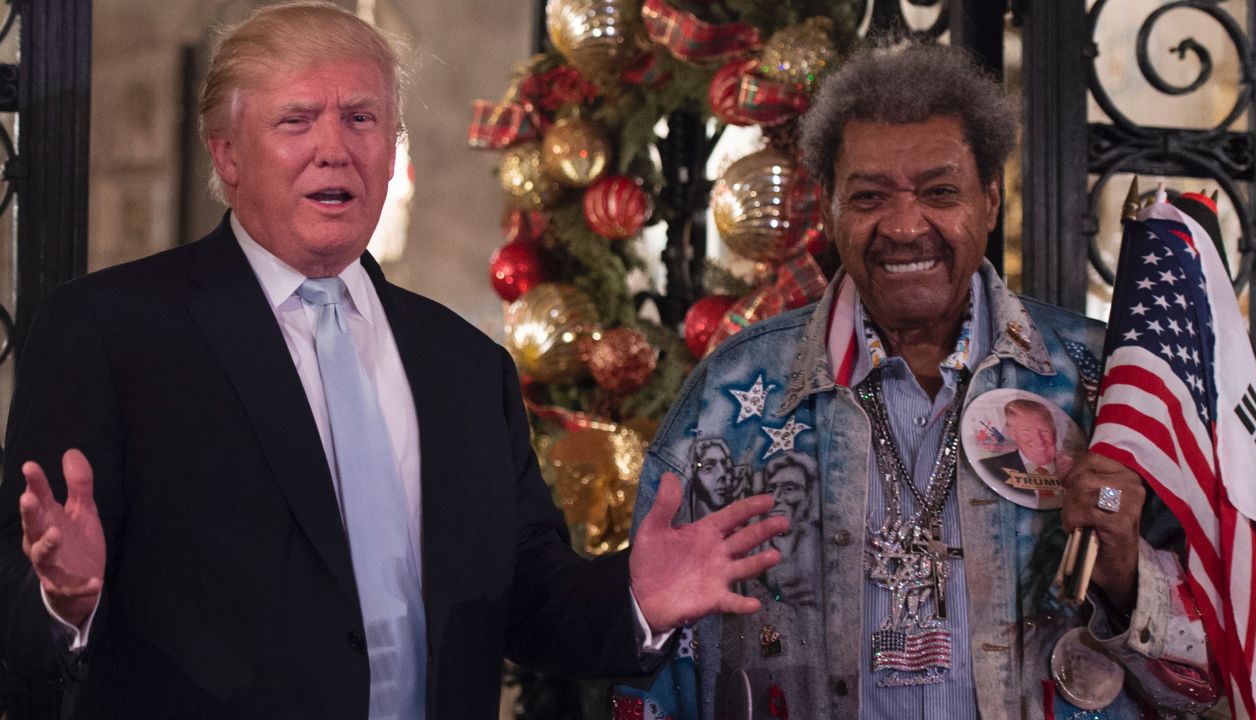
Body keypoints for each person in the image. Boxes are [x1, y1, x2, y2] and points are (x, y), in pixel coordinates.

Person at [0, 3, 787, 718]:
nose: (334, 149)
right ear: (227, 153)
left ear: (393, 150)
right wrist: (63, 601)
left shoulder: (466, 366)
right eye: (297, 121)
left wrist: (635, 599)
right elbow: (18, 603)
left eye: (362, 117)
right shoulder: (112, 329)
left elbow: (529, 600)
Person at [616, 44, 1218, 719]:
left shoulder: (1103, 384)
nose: (904, 227)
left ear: (989, 200)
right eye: (870, 196)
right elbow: (655, 673)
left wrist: (1128, 575)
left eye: (939, 192)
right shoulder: (732, 393)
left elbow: (1219, 673)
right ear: (829, 206)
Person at [980, 398, 1062, 479]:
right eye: (1026, 431)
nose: (1039, 440)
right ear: (1012, 434)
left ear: (1054, 432)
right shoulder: (988, 468)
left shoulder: (1070, 467)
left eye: (1045, 431)